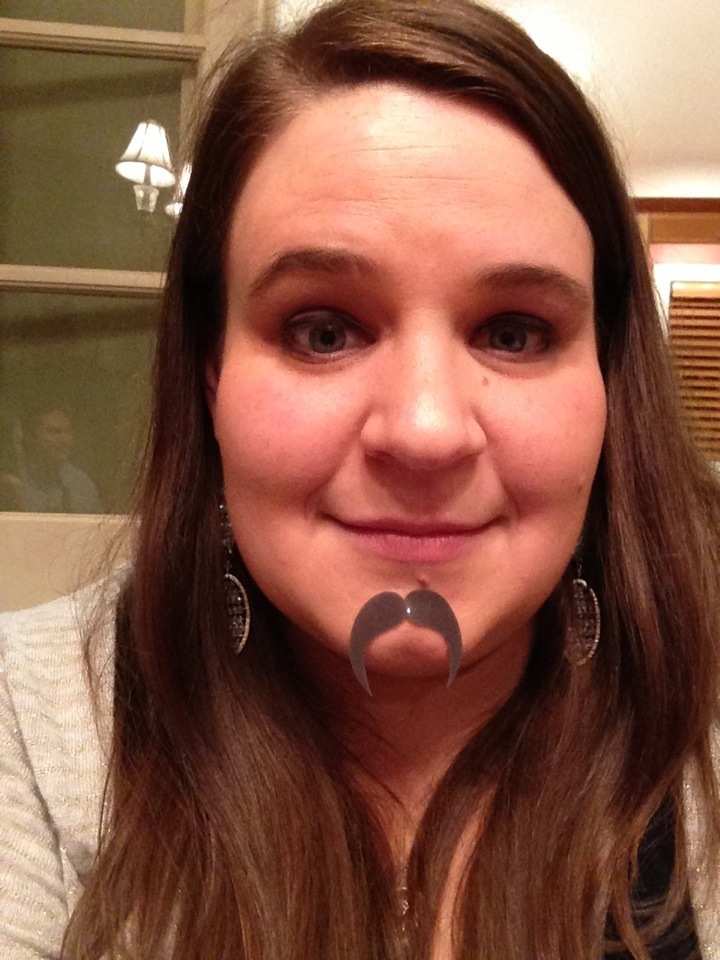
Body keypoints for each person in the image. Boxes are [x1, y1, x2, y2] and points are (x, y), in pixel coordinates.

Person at [1, 1, 719, 957]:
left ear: (609, 384)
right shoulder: (27, 721)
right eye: (323, 331)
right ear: (211, 374)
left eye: (514, 333)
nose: (425, 431)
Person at [21, 408, 102, 514]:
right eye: (54, 432)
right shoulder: (20, 483)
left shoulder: (82, 484)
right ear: (34, 437)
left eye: (67, 432)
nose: (63, 440)